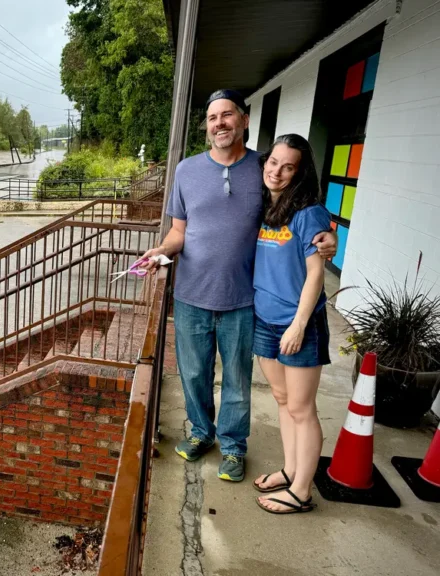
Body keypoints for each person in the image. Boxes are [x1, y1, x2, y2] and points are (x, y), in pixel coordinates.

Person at [140, 90, 337, 483]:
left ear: (244, 120)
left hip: (245, 299)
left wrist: (327, 238)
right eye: (212, 118)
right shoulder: (186, 171)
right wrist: (160, 250)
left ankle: (233, 446)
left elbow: (298, 202)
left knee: (236, 380)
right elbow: (179, 231)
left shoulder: (263, 168)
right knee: (194, 374)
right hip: (192, 294)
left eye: (227, 115)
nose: (219, 124)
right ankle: (201, 433)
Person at [251, 134, 330, 514]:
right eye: (273, 162)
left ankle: (301, 492)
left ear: (300, 172)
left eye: (288, 166)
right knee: (282, 401)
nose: (277, 171)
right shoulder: (268, 206)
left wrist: (298, 325)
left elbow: (316, 275)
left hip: (297, 323)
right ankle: (291, 469)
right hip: (264, 319)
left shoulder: (308, 213)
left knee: (302, 409)